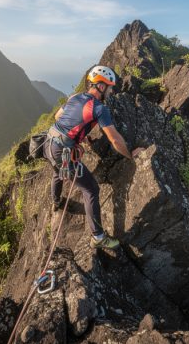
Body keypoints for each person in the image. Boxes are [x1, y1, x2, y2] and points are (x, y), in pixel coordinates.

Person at [45, 65, 144, 249]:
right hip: (63, 151)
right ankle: (98, 237)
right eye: (110, 87)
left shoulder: (75, 97)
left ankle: (56, 201)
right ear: (100, 86)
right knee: (91, 190)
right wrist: (130, 155)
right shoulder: (99, 108)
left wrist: (78, 135)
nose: (111, 91)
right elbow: (115, 140)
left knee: (57, 171)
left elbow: (59, 116)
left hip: (49, 143)